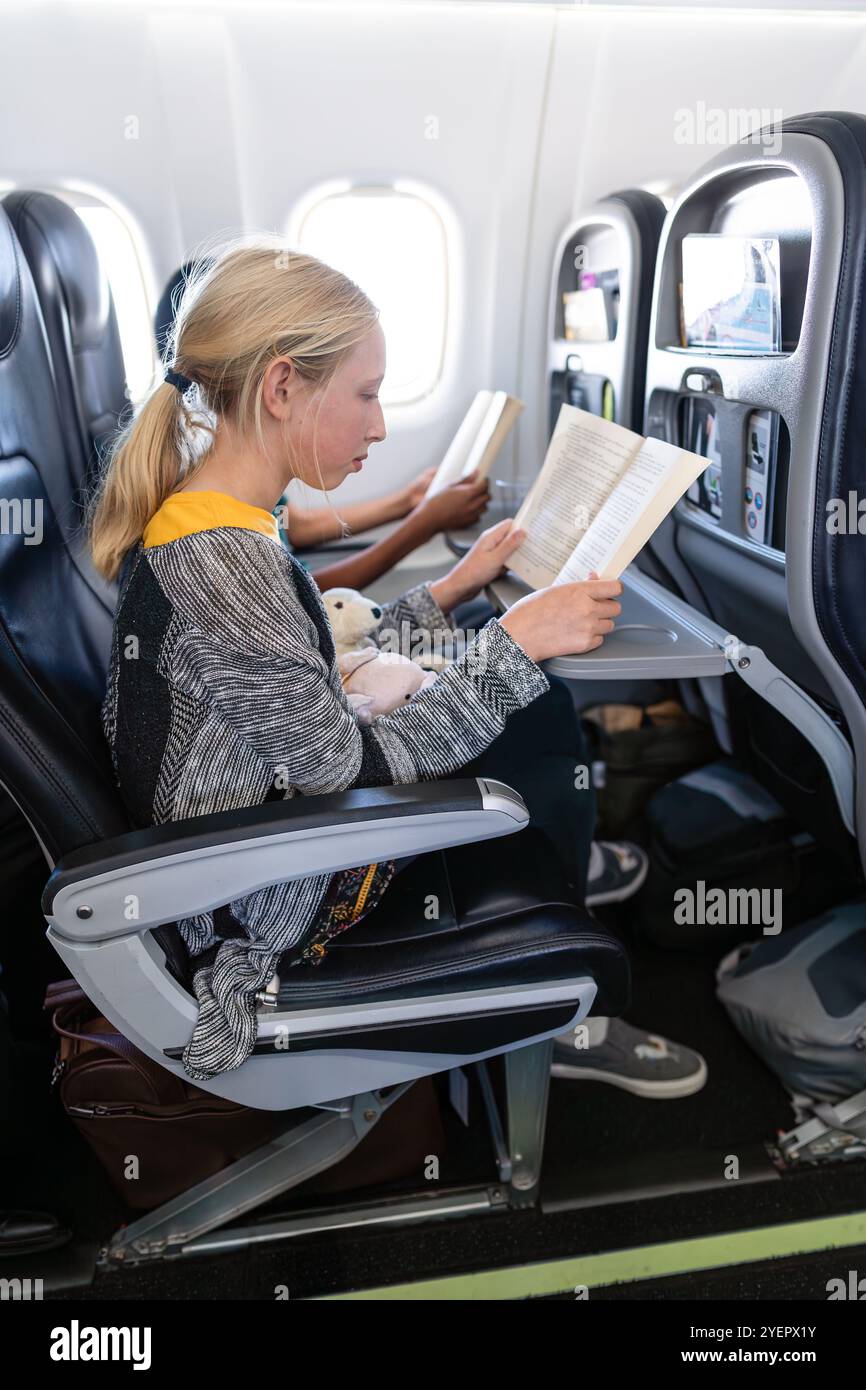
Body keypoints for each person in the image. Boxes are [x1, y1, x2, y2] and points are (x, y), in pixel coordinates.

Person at [90, 240, 705, 1095]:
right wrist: (517, 645)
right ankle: (566, 982)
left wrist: (456, 596)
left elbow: (311, 674)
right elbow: (350, 772)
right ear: (280, 388)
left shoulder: (224, 518)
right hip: (260, 899)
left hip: (264, 836)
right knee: (524, 709)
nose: (380, 424)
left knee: (495, 659)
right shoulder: (220, 564)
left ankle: (560, 860)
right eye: (367, 395)